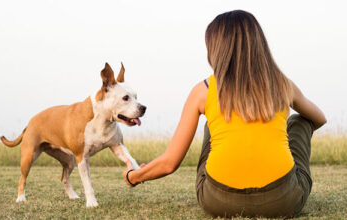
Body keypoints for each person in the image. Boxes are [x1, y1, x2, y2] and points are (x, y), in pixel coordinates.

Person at [122, 10, 326, 218]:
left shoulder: (202, 91)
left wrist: (134, 177)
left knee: (212, 125)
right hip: (282, 201)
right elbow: (319, 119)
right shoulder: (283, 85)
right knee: (300, 120)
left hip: (217, 201)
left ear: (216, 49)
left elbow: (169, 163)